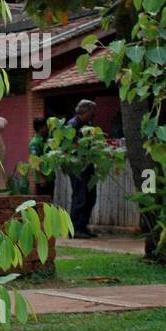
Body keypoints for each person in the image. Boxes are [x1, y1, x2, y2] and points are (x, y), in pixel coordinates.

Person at [65, 99, 99, 239]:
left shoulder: (88, 125)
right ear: (86, 111)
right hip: (77, 167)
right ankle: (75, 229)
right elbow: (69, 146)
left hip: (88, 165)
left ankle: (83, 226)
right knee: (80, 196)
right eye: (92, 112)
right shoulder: (72, 125)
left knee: (91, 197)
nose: (93, 115)